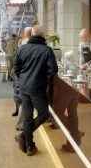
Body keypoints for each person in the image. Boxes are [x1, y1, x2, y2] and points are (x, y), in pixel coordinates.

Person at [12, 25, 58, 156]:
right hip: (37, 87)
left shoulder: (22, 49)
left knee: (27, 117)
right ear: (43, 35)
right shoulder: (46, 50)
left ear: (32, 34)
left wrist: (23, 79)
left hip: (24, 87)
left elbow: (16, 68)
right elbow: (53, 70)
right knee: (44, 114)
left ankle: (30, 146)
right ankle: (23, 136)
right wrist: (42, 77)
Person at [11, 26, 33, 118]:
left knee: (20, 92)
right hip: (20, 71)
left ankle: (22, 113)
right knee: (17, 91)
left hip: (22, 71)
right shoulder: (21, 41)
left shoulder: (31, 42)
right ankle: (17, 109)